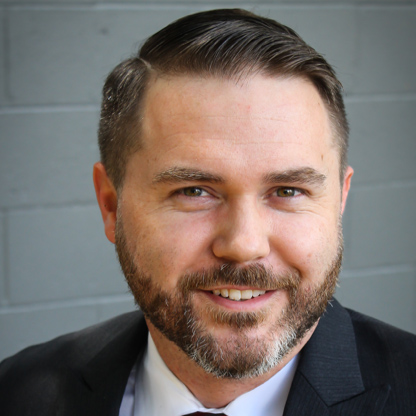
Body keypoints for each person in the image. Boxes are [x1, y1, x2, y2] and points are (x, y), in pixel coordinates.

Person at [0, 8, 415, 416]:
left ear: (338, 202)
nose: (244, 245)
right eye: (195, 191)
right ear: (111, 204)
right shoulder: (16, 391)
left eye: (288, 190)